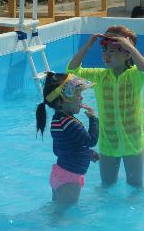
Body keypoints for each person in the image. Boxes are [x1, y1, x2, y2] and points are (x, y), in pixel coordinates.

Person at [67, 25, 144, 187]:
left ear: (127, 54)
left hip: (132, 143)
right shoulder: (99, 76)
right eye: (104, 51)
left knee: (135, 185)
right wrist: (87, 46)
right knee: (107, 185)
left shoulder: (135, 76)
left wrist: (129, 46)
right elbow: (72, 70)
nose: (106, 55)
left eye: (112, 51)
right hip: (108, 143)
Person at [35, 72, 99, 205]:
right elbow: (91, 141)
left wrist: (86, 153)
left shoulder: (57, 121)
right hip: (70, 178)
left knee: (56, 213)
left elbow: (60, 150)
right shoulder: (70, 122)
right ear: (62, 100)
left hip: (59, 173)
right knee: (64, 218)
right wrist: (93, 118)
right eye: (78, 94)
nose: (81, 98)